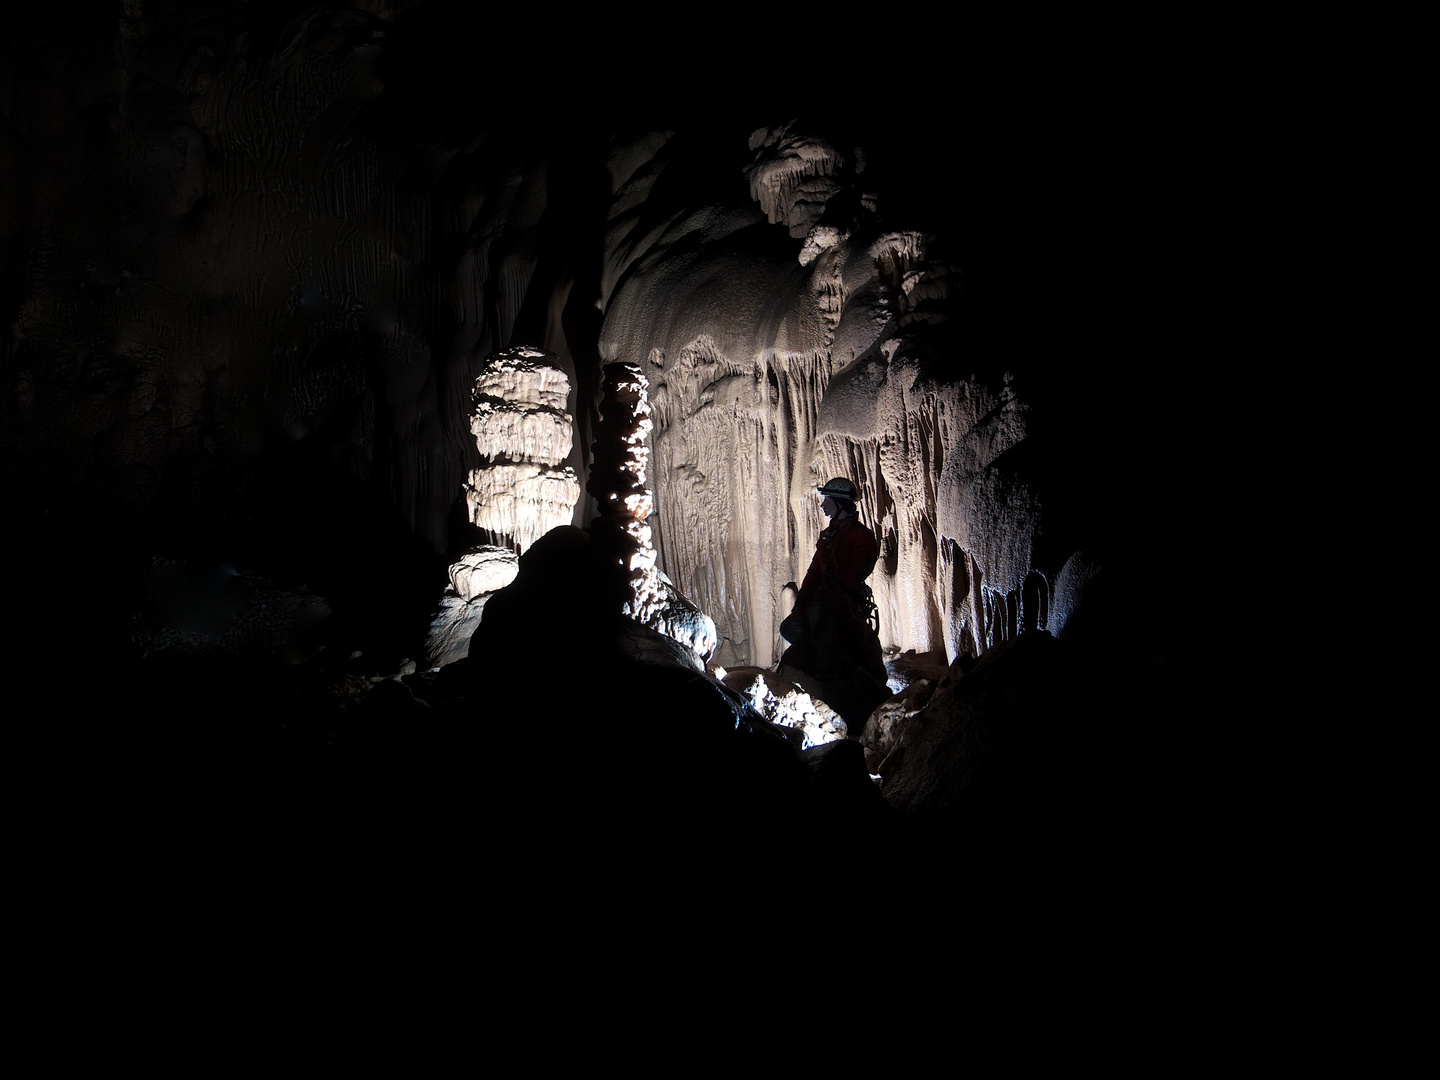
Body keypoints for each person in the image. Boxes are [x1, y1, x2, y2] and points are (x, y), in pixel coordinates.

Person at [777, 477, 889, 725]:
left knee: (819, 613)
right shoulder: (828, 535)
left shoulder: (860, 535)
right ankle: (811, 658)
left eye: (827, 500)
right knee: (790, 626)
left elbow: (861, 565)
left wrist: (836, 586)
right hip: (823, 594)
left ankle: (830, 673)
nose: (823, 505)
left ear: (840, 503)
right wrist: (802, 599)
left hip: (844, 598)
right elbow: (814, 571)